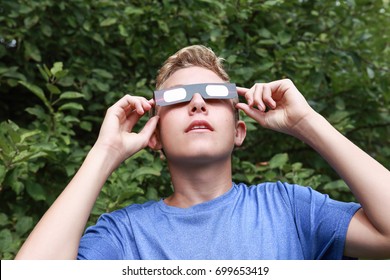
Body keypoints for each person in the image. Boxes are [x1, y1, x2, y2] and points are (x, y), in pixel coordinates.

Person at [15, 45, 390, 260]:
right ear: (155, 135)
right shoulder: (124, 235)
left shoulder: (290, 209)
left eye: (213, 95)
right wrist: (104, 153)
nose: (197, 102)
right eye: (177, 98)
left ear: (239, 130)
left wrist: (307, 123)